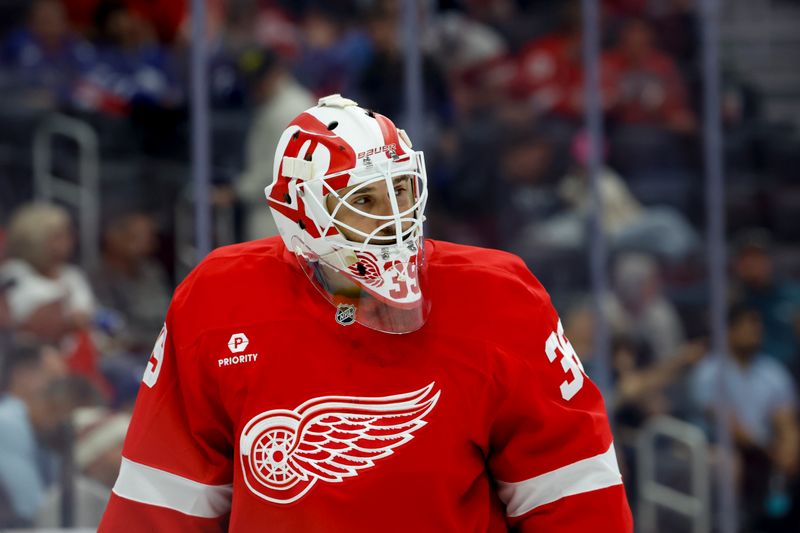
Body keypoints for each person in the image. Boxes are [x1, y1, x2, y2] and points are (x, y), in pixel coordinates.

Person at [99, 94, 632, 531]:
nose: (394, 218)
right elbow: (163, 498)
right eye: (364, 200)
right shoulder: (219, 298)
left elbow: (573, 490)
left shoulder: (499, 294)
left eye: (399, 189)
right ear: (300, 212)